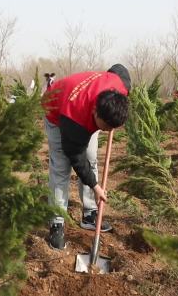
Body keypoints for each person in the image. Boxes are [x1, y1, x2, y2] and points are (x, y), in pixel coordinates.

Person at [42, 64, 131, 250]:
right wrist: (96, 186)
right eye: (106, 127)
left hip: (83, 111)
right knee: (61, 169)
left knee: (91, 157)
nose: (108, 131)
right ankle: (56, 224)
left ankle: (89, 213)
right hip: (57, 112)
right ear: (95, 112)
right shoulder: (75, 122)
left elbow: (119, 69)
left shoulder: (118, 86)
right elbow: (76, 157)